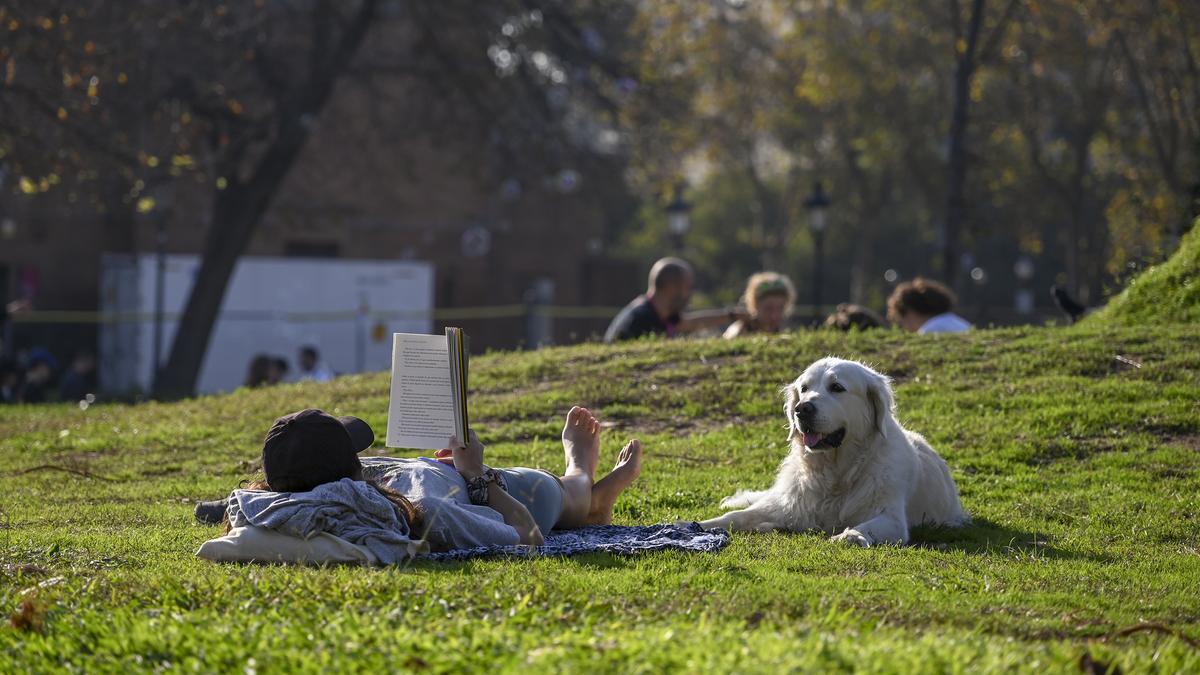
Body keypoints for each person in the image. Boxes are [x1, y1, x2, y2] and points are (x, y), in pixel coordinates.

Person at [197, 406, 644, 551]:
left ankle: (594, 505)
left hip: (433, 468)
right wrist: (478, 475)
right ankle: (582, 474)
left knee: (580, 505)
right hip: (506, 492)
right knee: (565, 493)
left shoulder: (284, 499)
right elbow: (528, 536)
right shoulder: (427, 515)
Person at [604, 257, 693, 343]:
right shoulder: (643, 320)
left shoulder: (657, 312)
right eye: (688, 287)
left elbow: (689, 324)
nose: (689, 294)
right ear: (671, 287)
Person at [723, 272, 796, 338]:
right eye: (768, 308)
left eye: (780, 308)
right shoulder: (739, 331)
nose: (774, 315)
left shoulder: (784, 334)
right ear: (755, 305)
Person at [886, 278, 972, 333]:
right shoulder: (958, 322)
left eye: (901, 320)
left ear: (910, 312)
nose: (905, 328)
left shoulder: (930, 331)